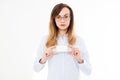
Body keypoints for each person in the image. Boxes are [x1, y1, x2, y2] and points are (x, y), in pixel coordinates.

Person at [33, 3, 92, 80]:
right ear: (54, 19)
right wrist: (44, 58)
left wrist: (79, 59)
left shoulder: (79, 40)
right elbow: (36, 69)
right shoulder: (45, 40)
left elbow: (88, 71)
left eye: (66, 16)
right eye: (58, 17)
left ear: (71, 18)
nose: (62, 20)